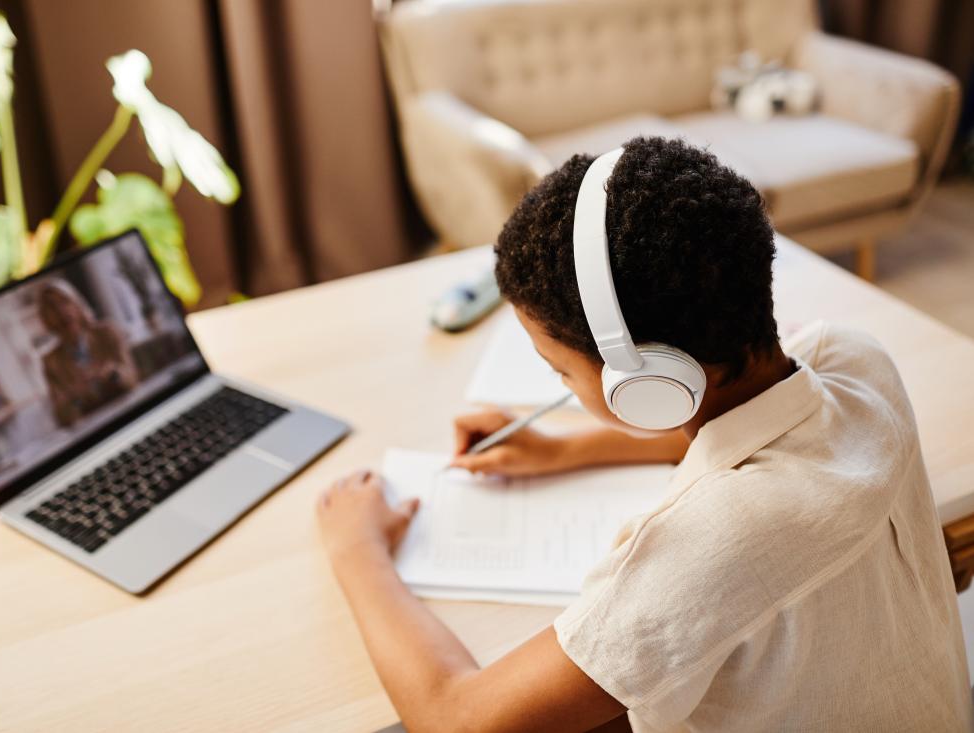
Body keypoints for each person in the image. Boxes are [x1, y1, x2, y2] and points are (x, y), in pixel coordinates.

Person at [315, 137, 971, 731]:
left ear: (650, 381)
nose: (560, 390)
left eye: (560, 371)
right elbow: (766, 427)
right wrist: (570, 446)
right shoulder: (856, 361)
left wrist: (358, 549)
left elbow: (460, 719)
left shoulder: (711, 545)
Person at [37, 279, 137, 427]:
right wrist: (75, 397)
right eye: (52, 307)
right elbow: (62, 419)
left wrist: (112, 374)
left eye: (65, 301)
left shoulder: (107, 332)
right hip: (95, 430)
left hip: (131, 414)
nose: (61, 311)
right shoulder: (50, 361)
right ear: (45, 318)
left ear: (77, 304)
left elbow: (132, 379)